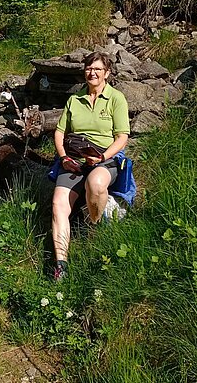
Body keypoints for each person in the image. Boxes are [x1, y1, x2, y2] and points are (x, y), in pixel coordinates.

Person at [52, 51, 130, 280]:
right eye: (88, 68)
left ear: (107, 73)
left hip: (104, 159)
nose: (92, 72)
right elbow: (59, 132)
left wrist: (103, 156)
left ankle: (93, 225)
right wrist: (64, 157)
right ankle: (61, 266)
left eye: (97, 69)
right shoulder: (74, 99)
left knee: (95, 183)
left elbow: (122, 136)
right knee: (58, 204)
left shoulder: (116, 98)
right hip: (74, 159)